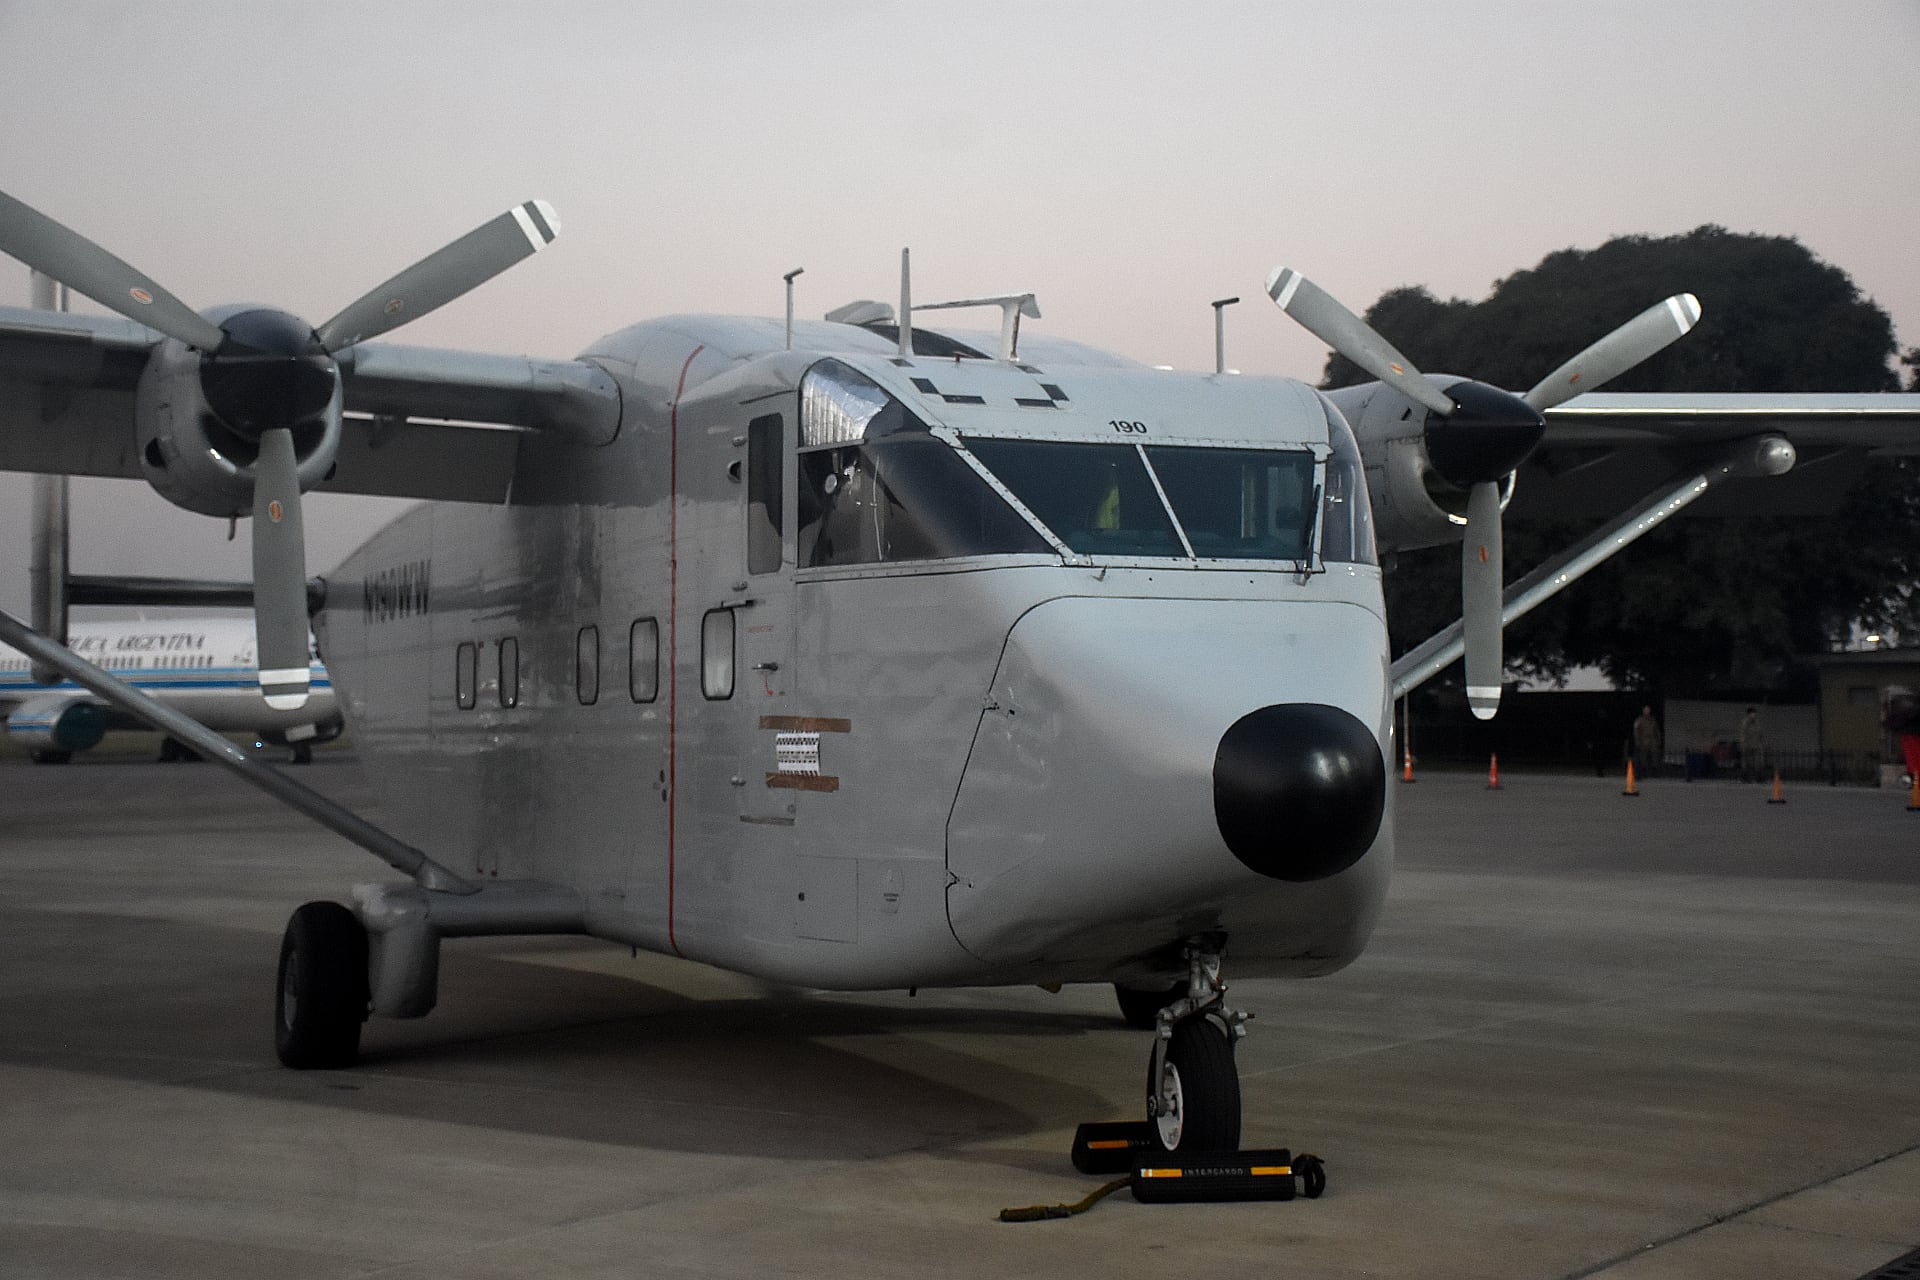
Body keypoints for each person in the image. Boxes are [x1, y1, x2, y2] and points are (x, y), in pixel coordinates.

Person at [1631, 704, 1662, 778]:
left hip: (1652, 740)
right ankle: (1643, 771)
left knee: (1655, 756)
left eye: (1648, 710)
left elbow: (1657, 730)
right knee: (1643, 757)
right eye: (1646, 710)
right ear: (1643, 711)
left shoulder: (1653, 720)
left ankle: (1654, 771)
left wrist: (1659, 740)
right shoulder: (1639, 720)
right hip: (1643, 740)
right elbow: (1636, 731)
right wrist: (1637, 741)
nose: (1647, 712)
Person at [1739, 706, 1766, 783]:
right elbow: (1743, 734)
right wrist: (1743, 744)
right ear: (1748, 714)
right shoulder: (1745, 723)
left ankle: (1759, 778)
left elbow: (1760, 734)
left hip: (1756, 745)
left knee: (1758, 762)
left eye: (1754, 713)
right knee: (1747, 763)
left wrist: (1762, 744)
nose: (1754, 715)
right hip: (1747, 746)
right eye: (1752, 713)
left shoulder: (1757, 723)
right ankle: (1745, 778)